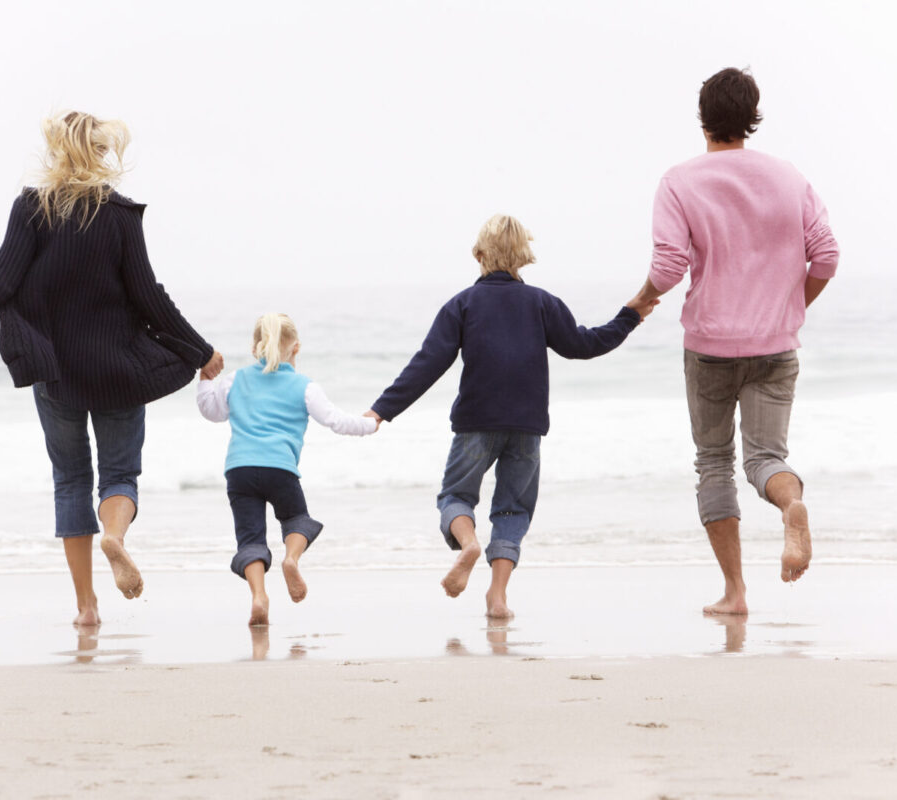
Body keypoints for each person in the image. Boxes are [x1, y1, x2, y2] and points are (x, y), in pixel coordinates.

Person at [0, 111, 222, 627]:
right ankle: (115, 537)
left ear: (55, 150)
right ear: (101, 152)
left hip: (57, 372)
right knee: (120, 474)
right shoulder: (120, 216)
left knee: (71, 480)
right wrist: (199, 350)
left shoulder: (33, 208)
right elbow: (148, 297)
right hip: (119, 368)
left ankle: (86, 607)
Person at [366, 215, 657, 618]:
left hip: (475, 422)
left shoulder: (462, 304)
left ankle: (468, 544)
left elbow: (428, 364)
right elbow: (583, 345)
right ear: (523, 256)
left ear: (479, 253)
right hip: (526, 426)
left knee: (455, 497)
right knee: (512, 510)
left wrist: (382, 410)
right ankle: (498, 596)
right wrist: (629, 316)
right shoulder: (541, 303)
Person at [626, 68, 840, 615]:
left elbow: (671, 265)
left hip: (710, 346)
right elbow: (828, 256)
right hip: (776, 346)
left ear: (704, 119)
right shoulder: (789, 178)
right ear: (752, 116)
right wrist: (790, 308)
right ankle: (791, 504)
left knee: (714, 463)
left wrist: (643, 298)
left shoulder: (679, 181)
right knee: (766, 458)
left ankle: (736, 593)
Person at [196, 313, 377, 626]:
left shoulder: (235, 380)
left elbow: (211, 411)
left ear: (256, 347)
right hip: (280, 469)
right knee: (297, 520)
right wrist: (371, 423)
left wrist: (205, 379)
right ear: (296, 349)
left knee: (250, 538)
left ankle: (258, 597)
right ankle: (291, 559)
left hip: (239, 470)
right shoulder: (304, 386)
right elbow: (336, 420)